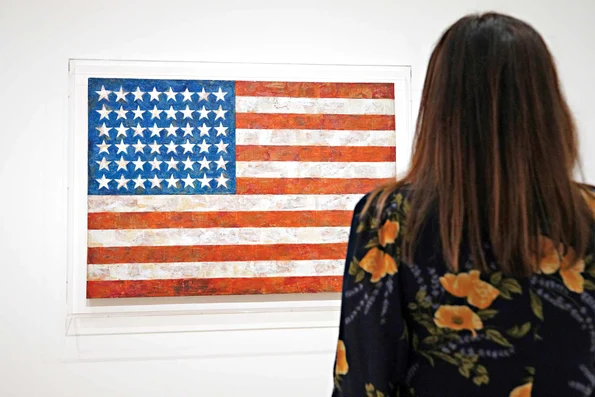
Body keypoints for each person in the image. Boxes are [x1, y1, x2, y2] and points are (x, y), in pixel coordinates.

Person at [332, 12, 595, 397]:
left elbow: (364, 378)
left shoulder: (390, 217)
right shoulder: (586, 213)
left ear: (440, 107)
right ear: (546, 106)